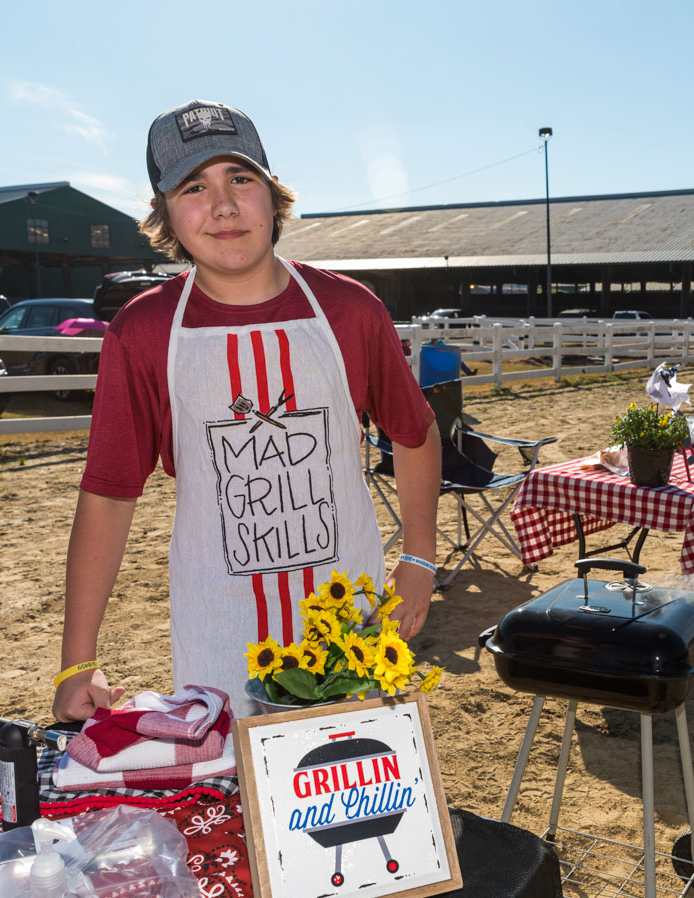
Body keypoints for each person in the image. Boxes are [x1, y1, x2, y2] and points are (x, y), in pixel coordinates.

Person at [53, 100, 441, 722]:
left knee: (351, 788)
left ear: (273, 196)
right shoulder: (145, 330)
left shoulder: (349, 310)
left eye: (241, 178)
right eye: (193, 188)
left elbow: (414, 435)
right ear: (166, 215)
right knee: (234, 800)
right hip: (219, 625)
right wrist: (77, 661)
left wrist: (419, 558)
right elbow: (108, 493)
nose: (224, 206)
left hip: (348, 618)